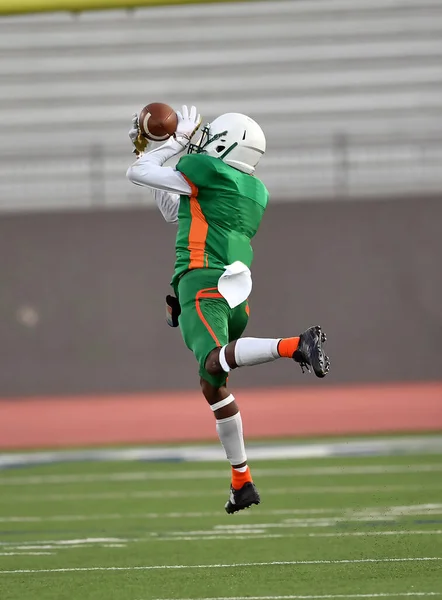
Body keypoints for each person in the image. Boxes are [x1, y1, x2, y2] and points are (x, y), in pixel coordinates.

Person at [126, 105, 330, 514]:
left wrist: (173, 140)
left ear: (225, 143)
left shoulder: (209, 171)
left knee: (215, 361)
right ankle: (242, 482)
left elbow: (140, 173)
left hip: (202, 282)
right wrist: (151, 151)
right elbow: (174, 209)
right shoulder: (255, 190)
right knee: (212, 385)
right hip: (236, 294)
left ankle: (294, 345)